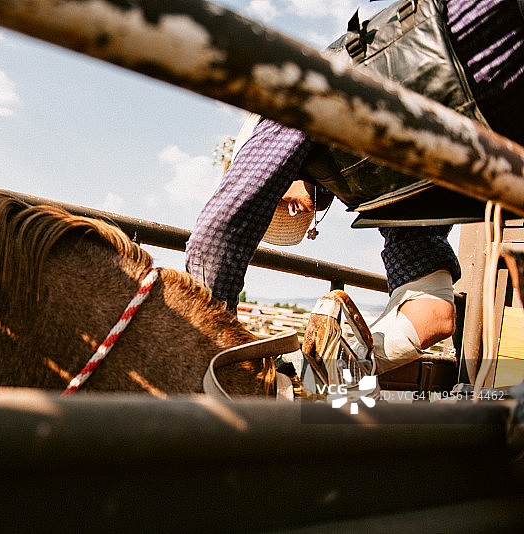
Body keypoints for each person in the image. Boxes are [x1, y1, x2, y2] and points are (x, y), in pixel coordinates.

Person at [186, 0, 524, 375]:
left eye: (277, 200)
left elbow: (217, 238)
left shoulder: (288, 101)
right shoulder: (391, 191)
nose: (299, 210)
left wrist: (224, 360)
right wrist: (322, 368)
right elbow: (433, 315)